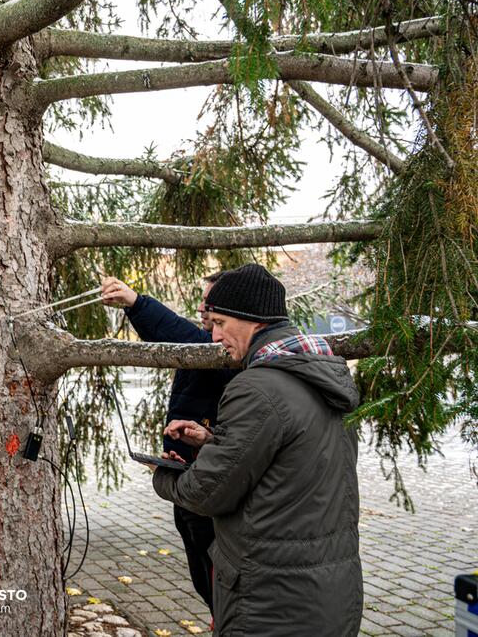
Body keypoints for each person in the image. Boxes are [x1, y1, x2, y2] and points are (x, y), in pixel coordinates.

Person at [150, 263, 363, 636]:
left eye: (219, 322)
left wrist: (164, 474)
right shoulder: (323, 373)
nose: (214, 336)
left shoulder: (257, 387)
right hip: (330, 590)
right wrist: (213, 442)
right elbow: (290, 460)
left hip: (271, 601)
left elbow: (207, 491)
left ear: (250, 319)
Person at [101, 272, 239, 612]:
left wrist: (136, 303)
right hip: (187, 480)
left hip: (207, 491)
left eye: (210, 305)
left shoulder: (224, 353)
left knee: (219, 586)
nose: (202, 309)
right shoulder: (209, 344)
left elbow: (182, 338)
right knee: (204, 578)